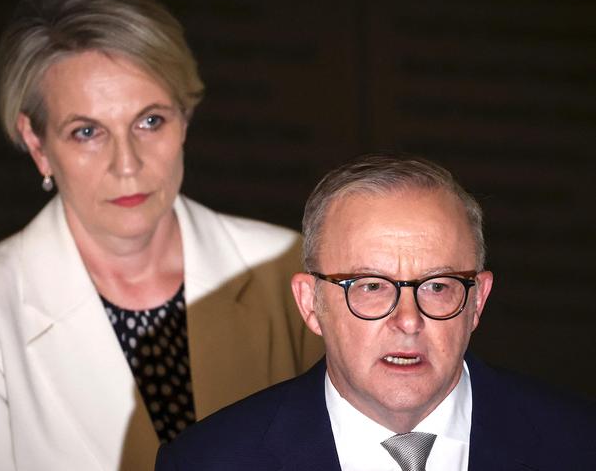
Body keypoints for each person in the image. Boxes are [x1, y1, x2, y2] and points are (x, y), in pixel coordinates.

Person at [0, 0, 323, 470]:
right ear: (37, 144)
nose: (127, 164)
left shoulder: (287, 268)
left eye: (149, 121)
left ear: (184, 118)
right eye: (86, 132)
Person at [155, 153, 596, 471]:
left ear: (477, 301)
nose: (408, 321)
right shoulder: (209, 460)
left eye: (438, 286)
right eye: (370, 286)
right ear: (311, 304)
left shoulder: (580, 444)